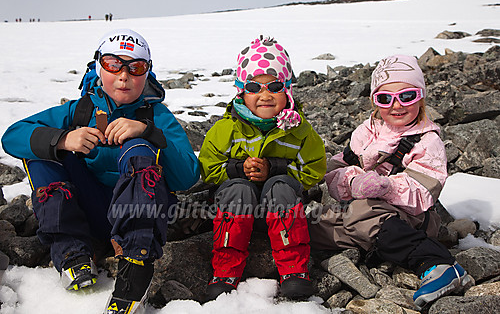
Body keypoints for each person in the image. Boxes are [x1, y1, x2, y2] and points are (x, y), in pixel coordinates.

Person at [1, 29, 200, 313]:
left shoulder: (157, 116)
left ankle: (136, 265)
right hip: (90, 210)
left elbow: (187, 176)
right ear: (98, 65)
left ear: (147, 73)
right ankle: (72, 251)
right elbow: (12, 136)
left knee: (139, 147)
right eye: (112, 64)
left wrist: (148, 132)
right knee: (42, 154)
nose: (123, 76)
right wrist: (63, 140)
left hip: (144, 214)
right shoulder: (80, 110)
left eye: (136, 67)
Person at [308, 54, 473, 309]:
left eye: (406, 96)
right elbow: (336, 168)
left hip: (410, 219)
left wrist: (386, 186)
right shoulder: (367, 131)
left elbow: (424, 192)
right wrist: (352, 183)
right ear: (375, 101)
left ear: (421, 96)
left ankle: (436, 264)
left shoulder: (427, 141)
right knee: (313, 225)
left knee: (363, 212)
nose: (396, 105)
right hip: (359, 213)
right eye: (384, 99)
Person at [198, 36, 326, 301]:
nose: (265, 95)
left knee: (279, 186)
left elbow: (315, 168)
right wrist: (237, 169)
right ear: (241, 91)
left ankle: (294, 270)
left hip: (281, 210)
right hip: (236, 211)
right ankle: (225, 272)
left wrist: (275, 169)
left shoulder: (298, 130)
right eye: (254, 86)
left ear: (287, 89)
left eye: (275, 86)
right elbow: (209, 167)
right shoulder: (226, 128)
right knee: (237, 188)